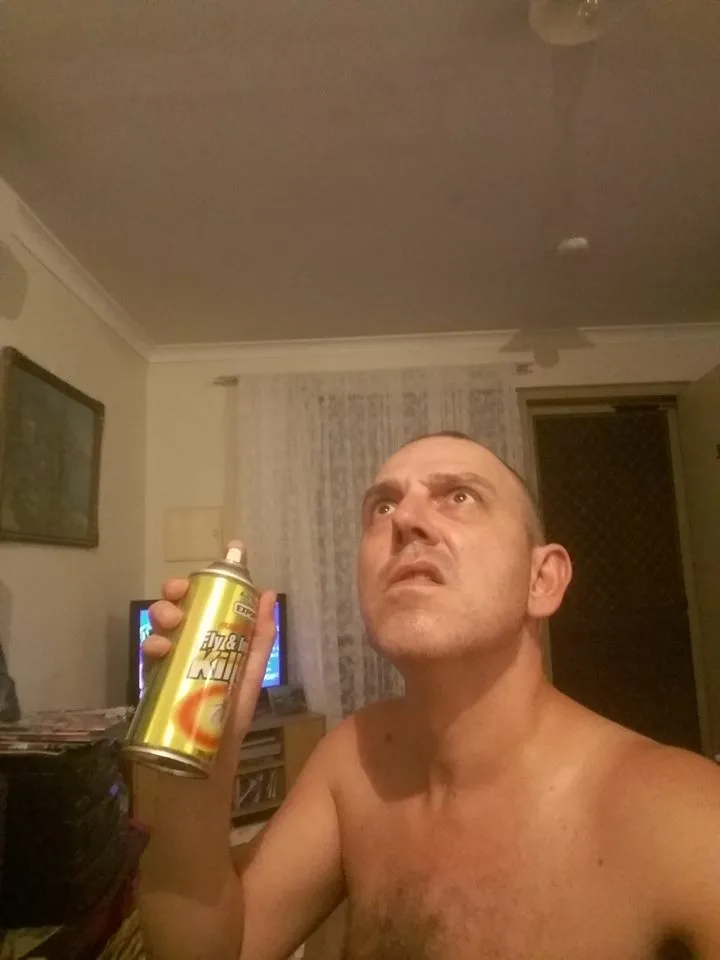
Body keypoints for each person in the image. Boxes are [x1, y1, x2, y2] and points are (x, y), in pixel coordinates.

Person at [138, 432, 720, 960]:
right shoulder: (354, 759)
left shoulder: (682, 816)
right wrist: (202, 759)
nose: (406, 520)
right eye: (382, 507)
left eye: (460, 497)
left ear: (541, 579)